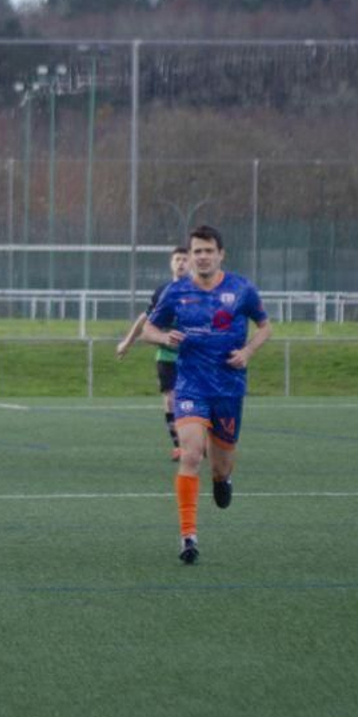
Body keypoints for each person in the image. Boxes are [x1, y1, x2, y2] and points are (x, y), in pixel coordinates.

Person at [140, 224, 271, 565]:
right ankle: (188, 536)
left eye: (207, 250)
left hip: (228, 389)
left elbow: (265, 326)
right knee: (192, 455)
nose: (201, 256)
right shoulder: (175, 291)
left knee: (220, 463)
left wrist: (248, 353)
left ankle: (223, 479)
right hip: (191, 386)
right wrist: (162, 338)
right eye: (196, 251)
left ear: (220, 254)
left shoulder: (242, 289)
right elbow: (148, 329)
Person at [115, 246, 192, 461]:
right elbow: (145, 319)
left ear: (191, 263)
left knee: (192, 399)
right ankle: (180, 446)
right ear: (171, 263)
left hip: (194, 357)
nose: (181, 263)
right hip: (167, 356)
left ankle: (196, 440)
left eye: (185, 259)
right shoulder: (163, 291)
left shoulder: (200, 291)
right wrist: (127, 342)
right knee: (170, 399)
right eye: (177, 259)